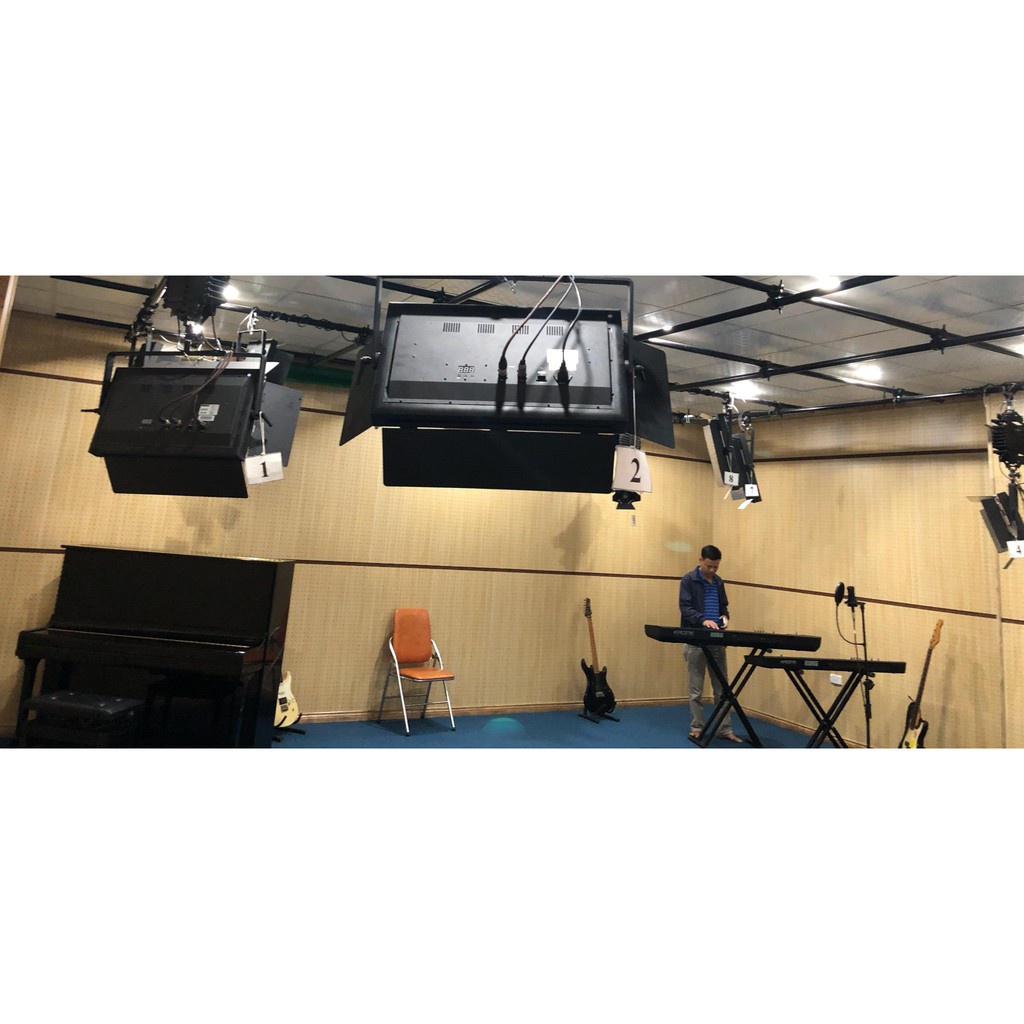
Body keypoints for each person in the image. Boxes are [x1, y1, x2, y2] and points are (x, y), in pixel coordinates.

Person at [679, 544, 742, 743]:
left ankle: (725, 729)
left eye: (716, 567)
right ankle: (697, 727)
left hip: (717, 639)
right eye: (709, 566)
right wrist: (702, 620)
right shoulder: (688, 580)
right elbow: (685, 607)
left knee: (722, 689)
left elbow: (724, 606)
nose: (712, 570)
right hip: (696, 640)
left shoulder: (718, 582)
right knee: (696, 690)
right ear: (700, 560)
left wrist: (725, 617)